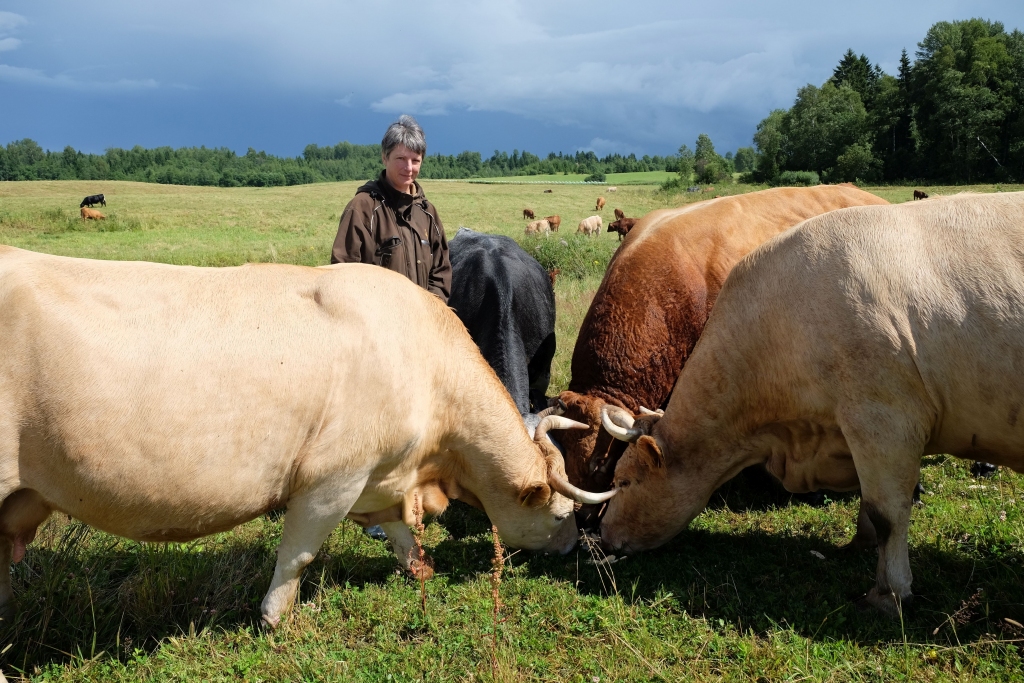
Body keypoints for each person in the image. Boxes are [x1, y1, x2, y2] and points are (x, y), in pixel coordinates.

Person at [330, 115, 451, 302]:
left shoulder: (428, 213)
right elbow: (343, 274)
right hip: (376, 325)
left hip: (423, 323)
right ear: (385, 158)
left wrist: (431, 312)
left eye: (415, 160)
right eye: (401, 158)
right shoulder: (363, 208)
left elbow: (441, 273)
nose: (409, 167)